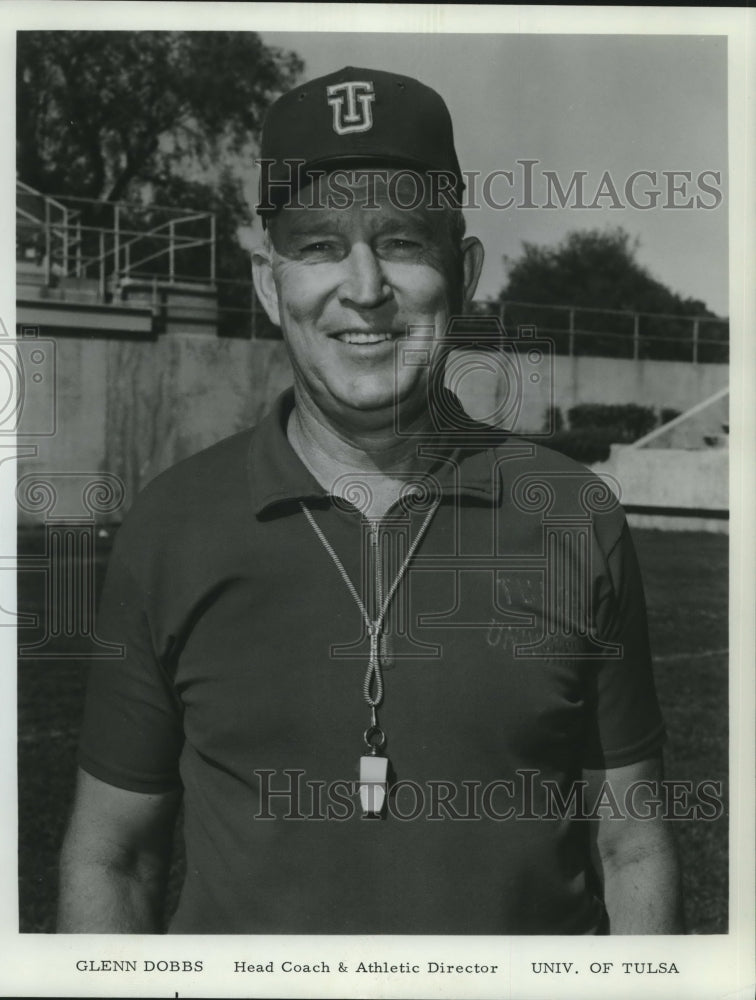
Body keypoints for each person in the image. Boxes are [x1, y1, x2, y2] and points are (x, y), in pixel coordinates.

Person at [57, 66, 683, 935]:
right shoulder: (172, 525)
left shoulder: (574, 516)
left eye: (400, 241)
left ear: (461, 273)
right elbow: (113, 857)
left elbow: (633, 845)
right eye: (318, 245)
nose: (363, 288)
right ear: (271, 286)